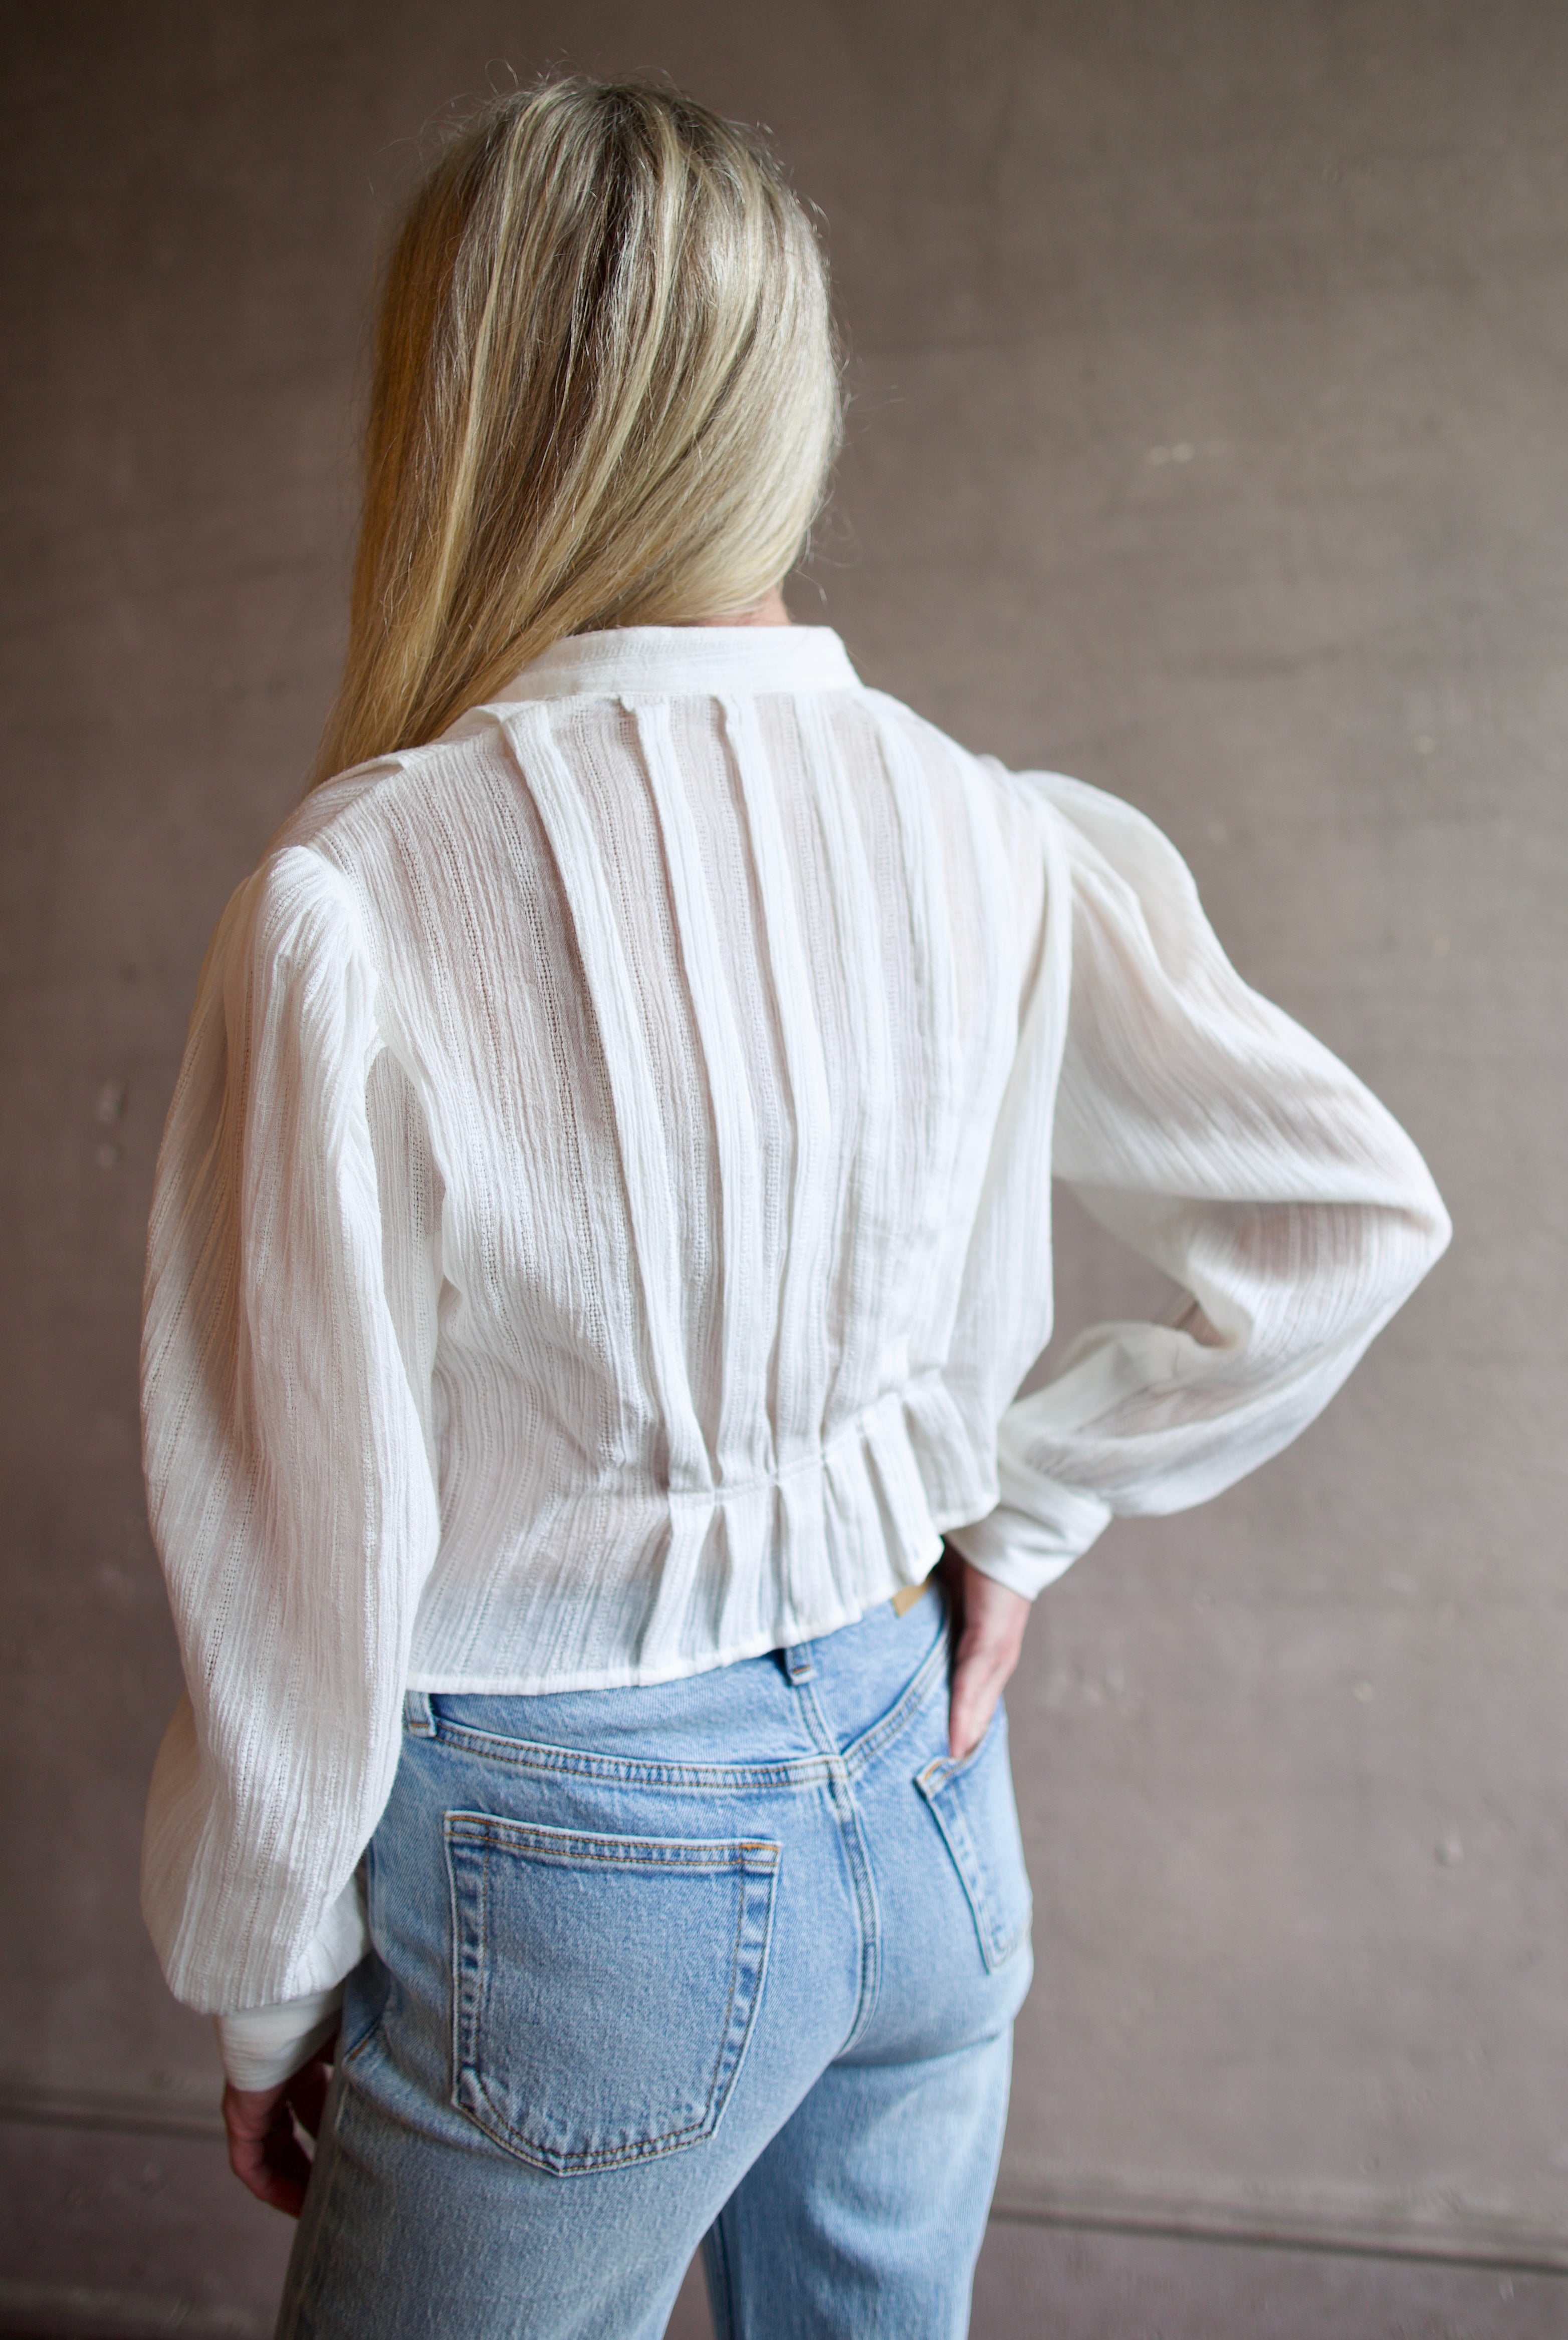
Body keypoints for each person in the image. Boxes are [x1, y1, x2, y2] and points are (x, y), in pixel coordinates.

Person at [138, 77, 1450, 2340]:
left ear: (471, 417)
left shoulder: (361, 898)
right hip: (924, 1785)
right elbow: (1345, 1210)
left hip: (579, 1880)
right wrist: (1015, 1516)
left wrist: (266, 1984)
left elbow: (299, 1545)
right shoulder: (979, 822)